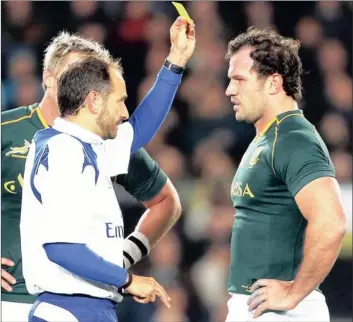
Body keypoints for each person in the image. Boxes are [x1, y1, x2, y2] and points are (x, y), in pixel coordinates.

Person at [1, 16, 195, 321]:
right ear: (93, 100)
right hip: (56, 304)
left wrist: (176, 61)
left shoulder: (89, 146)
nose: (124, 111)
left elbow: (141, 127)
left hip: (85, 303)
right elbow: (61, 247)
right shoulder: (62, 150)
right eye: (118, 100)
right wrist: (128, 280)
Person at [224, 27, 346, 321]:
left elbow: (332, 222)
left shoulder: (293, 139)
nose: (229, 90)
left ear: (274, 83)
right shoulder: (268, 137)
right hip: (260, 305)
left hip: (280, 311)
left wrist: (293, 293)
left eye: (239, 80)